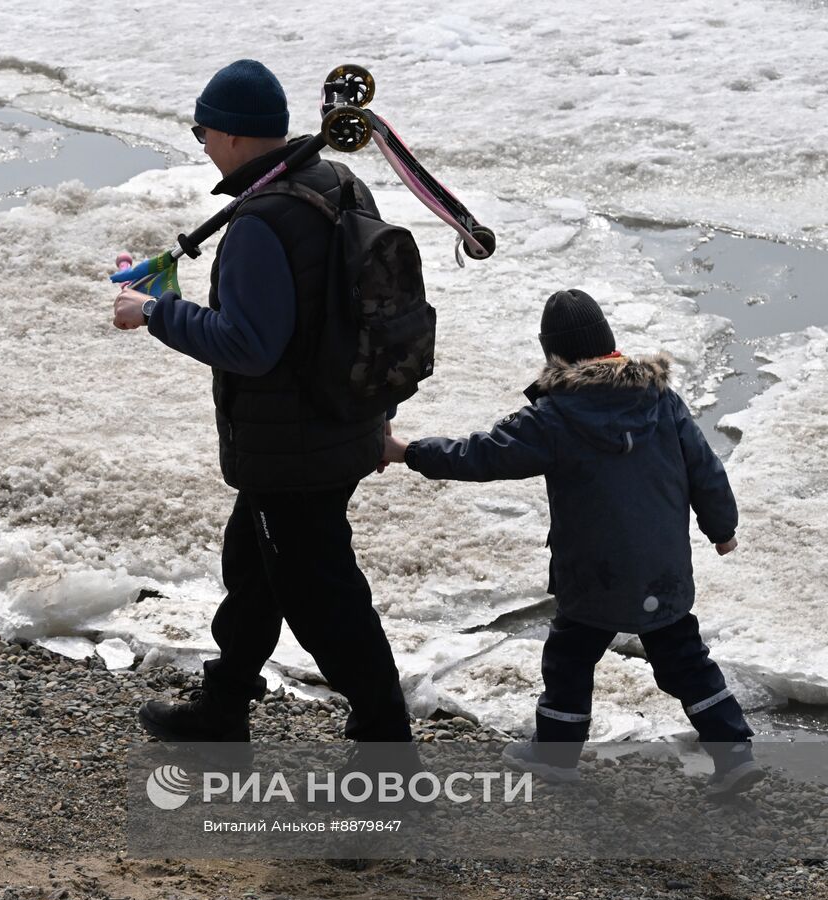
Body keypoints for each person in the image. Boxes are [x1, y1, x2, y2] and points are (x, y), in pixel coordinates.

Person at [112, 60, 413, 745]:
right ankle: (222, 709)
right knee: (252, 566)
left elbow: (249, 345)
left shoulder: (259, 222)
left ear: (238, 136)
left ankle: (389, 758)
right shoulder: (336, 183)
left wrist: (157, 313)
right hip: (344, 422)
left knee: (327, 605)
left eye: (203, 131)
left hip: (294, 450)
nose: (203, 144)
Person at [385, 289, 763, 798]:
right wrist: (723, 529)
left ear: (553, 353)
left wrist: (407, 451)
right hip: (662, 571)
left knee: (568, 659)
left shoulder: (555, 417)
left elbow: (484, 456)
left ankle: (556, 755)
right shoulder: (661, 400)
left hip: (592, 575)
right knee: (685, 659)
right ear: (609, 342)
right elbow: (705, 469)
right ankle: (735, 752)